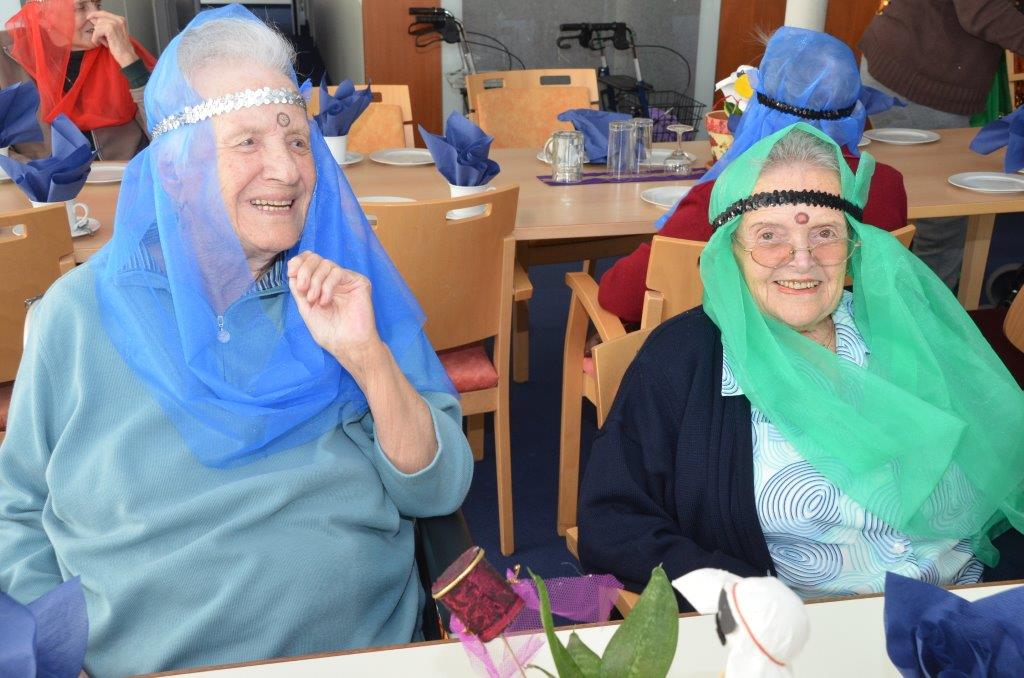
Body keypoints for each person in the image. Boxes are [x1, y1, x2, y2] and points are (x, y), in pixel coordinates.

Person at [0, 6, 472, 676]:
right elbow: (16, 510)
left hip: (355, 656)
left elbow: (438, 491)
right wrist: (46, 648)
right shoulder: (76, 317)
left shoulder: (339, 291)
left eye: (298, 140)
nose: (287, 170)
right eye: (247, 141)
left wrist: (369, 361)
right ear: (175, 170)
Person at [578, 123, 1024, 600]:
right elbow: (613, 522)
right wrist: (740, 596)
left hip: (974, 598)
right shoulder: (682, 359)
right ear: (732, 250)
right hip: (813, 624)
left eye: (825, 234)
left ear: (853, 246)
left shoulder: (907, 329)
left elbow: (1006, 465)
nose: (803, 259)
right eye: (770, 235)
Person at [598, 27, 908, 324]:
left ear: (759, 107)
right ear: (854, 109)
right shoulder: (885, 184)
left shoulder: (724, 195)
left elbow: (621, 296)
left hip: (730, 352)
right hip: (855, 347)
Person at [860, 0, 1024, 289]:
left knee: (939, 213)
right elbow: (981, 10)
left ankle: (918, 302)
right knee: (942, 219)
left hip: (920, 67)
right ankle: (925, 310)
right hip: (916, 79)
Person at [0, 0, 156, 160]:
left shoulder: (121, 47)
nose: (97, 17)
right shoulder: (5, 53)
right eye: (81, 7)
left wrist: (128, 59)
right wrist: (29, 168)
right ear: (43, 16)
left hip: (123, 172)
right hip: (38, 176)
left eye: (98, 5)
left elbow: (164, 132)